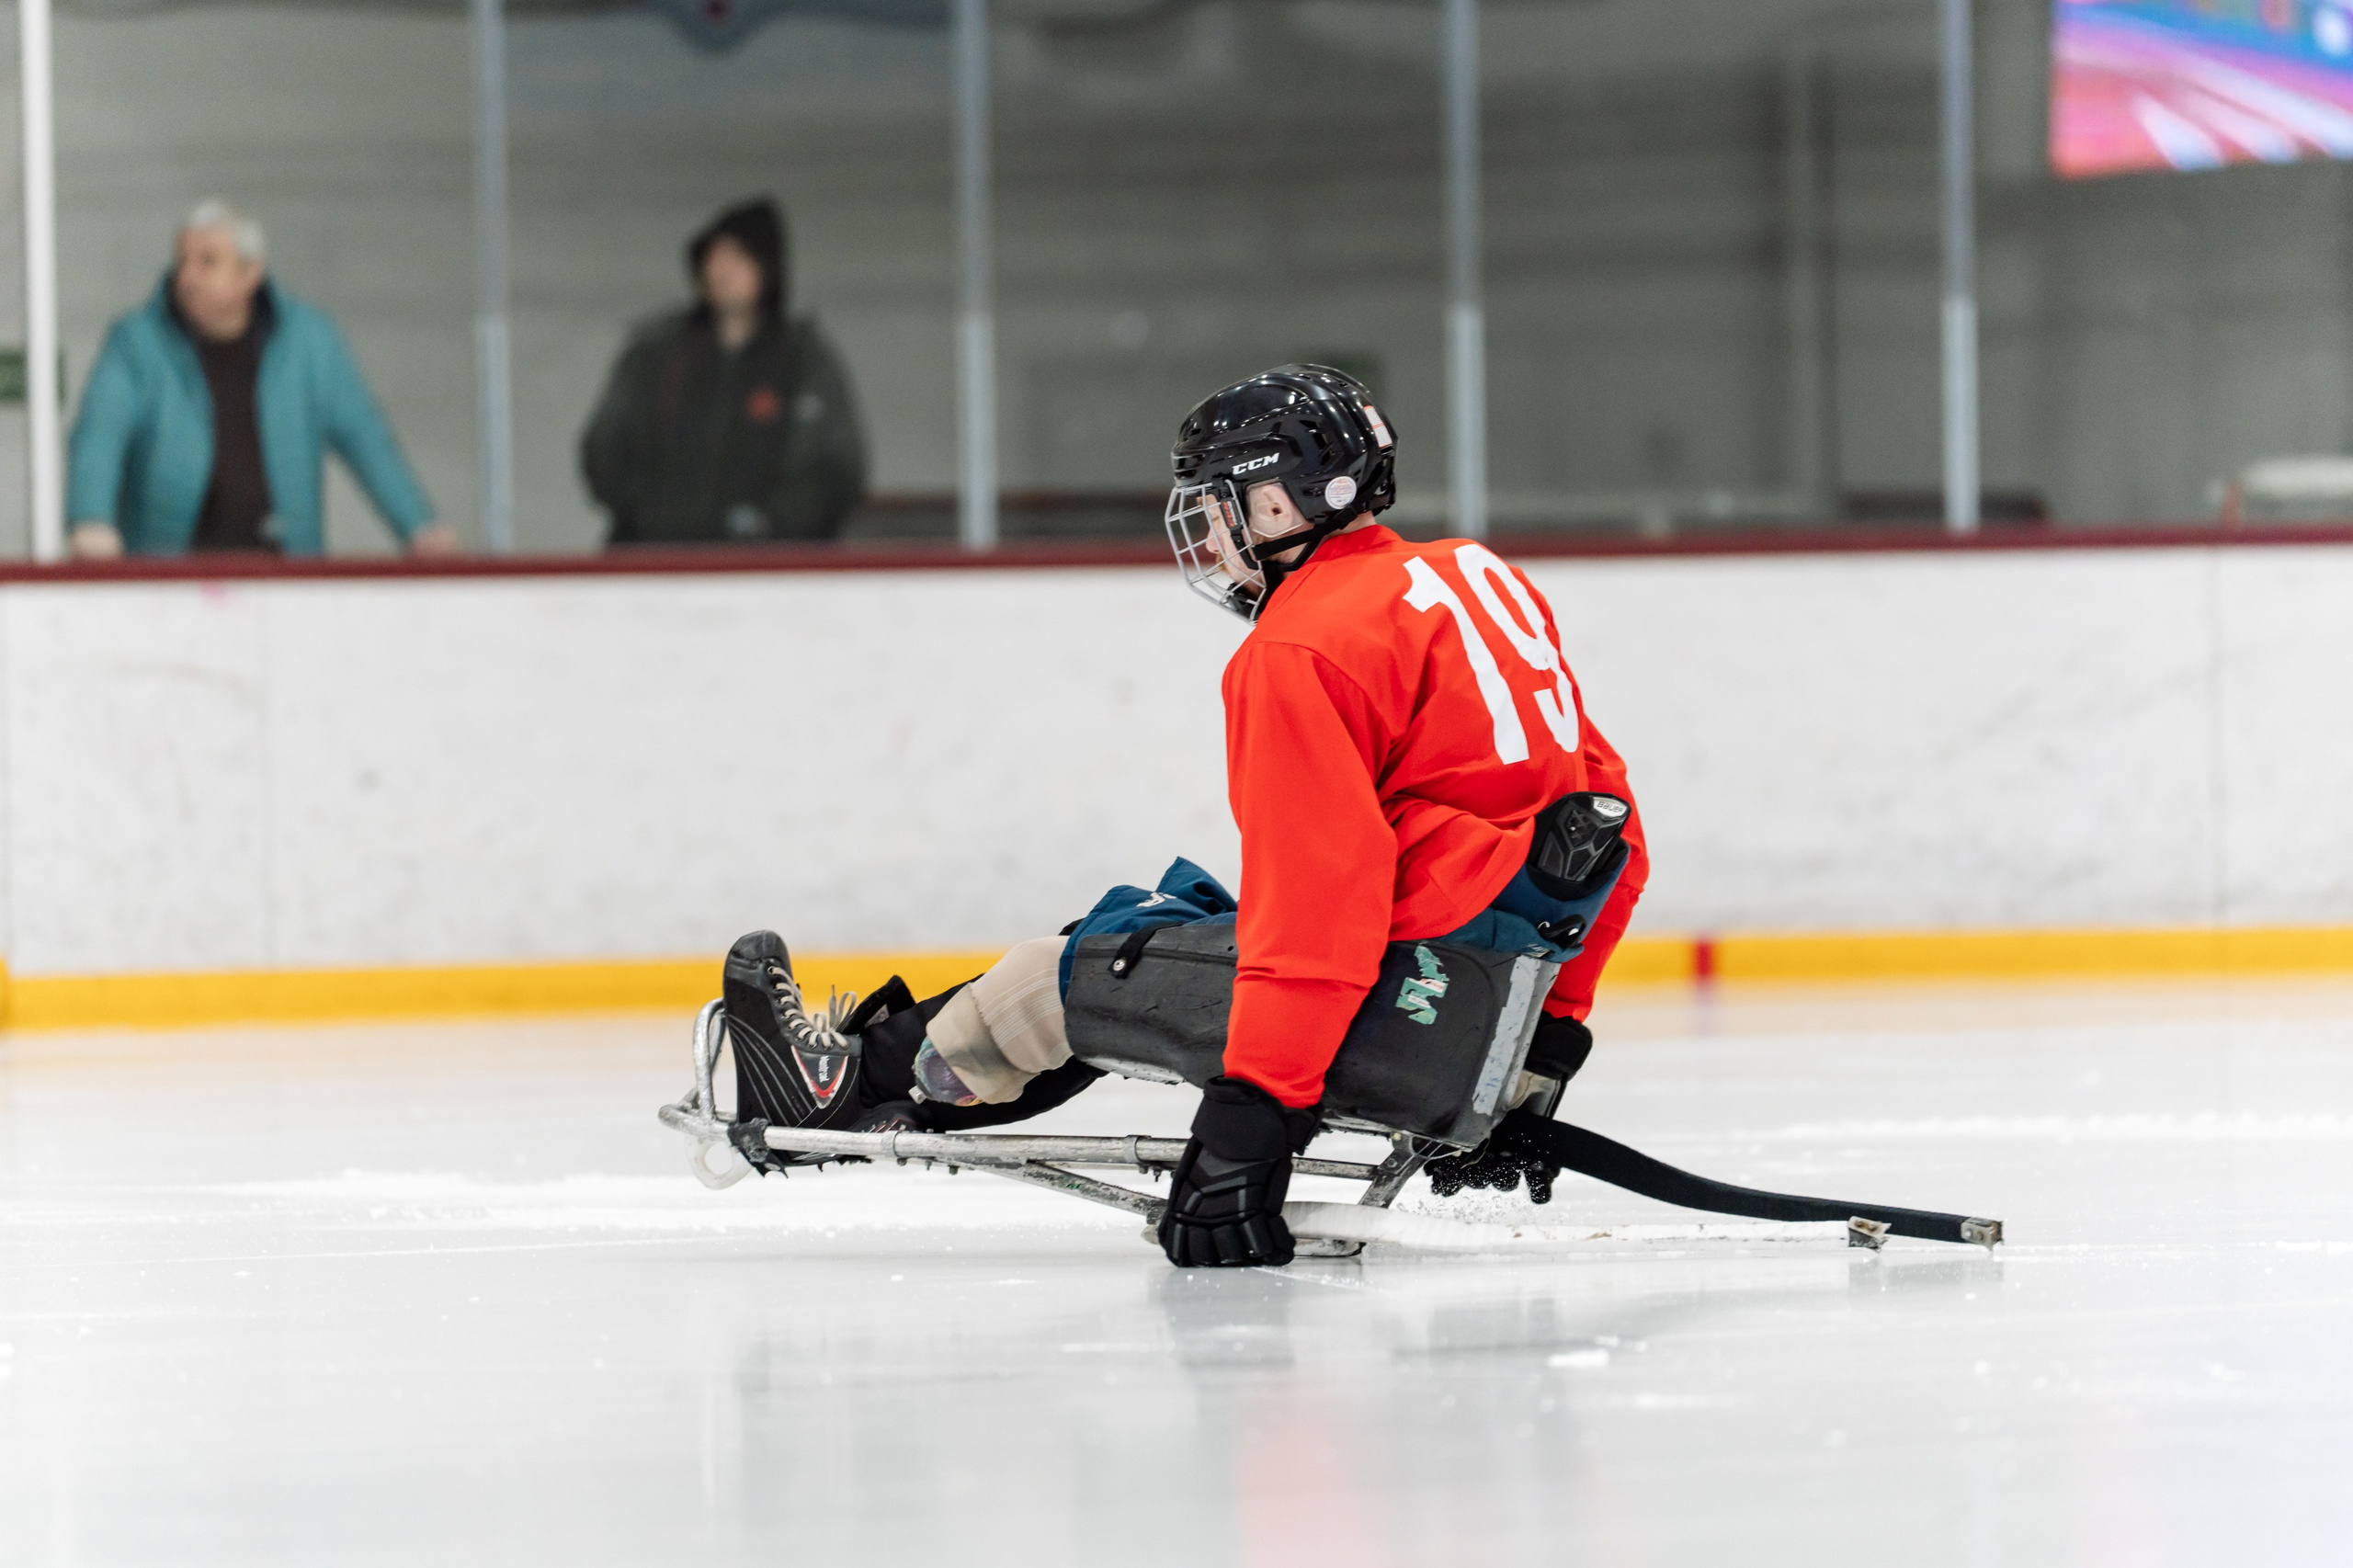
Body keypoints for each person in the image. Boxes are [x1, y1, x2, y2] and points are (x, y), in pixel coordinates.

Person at [712, 366, 1649, 1267]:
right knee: (1150, 921)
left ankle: (836, 1085)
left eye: (1218, 508)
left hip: (1399, 1016)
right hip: (1462, 1008)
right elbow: (1613, 835)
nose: (1210, 539)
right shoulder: (1476, 582)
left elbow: (1322, 910)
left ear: (1277, 505)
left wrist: (1252, 1125)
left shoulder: (1300, 647)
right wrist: (1532, 1058)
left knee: (1063, 972)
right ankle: (871, 1064)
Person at [66, 199, 454, 561]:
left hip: (285, 569)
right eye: (182, 260)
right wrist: (91, 518)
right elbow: (100, 432)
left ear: (250, 273)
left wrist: (419, 526)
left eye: (207, 262)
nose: (188, 277)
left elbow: (366, 437)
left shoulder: (310, 340)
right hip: (172, 573)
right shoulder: (137, 343)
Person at [579, 198, 867, 545]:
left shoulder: (803, 360)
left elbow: (833, 467)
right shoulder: (655, 354)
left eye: (738, 258)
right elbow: (605, 448)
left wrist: (769, 526)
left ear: (768, 268)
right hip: (655, 558)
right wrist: (654, 517)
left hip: (770, 564)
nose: (723, 272)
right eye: (715, 258)